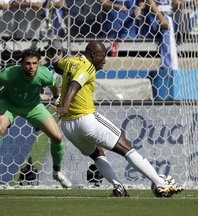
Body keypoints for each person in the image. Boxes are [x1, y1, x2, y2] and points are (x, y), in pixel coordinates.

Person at [52, 41, 184, 197]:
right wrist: (66, 104)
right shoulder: (86, 67)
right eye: (102, 56)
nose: (105, 60)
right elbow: (75, 84)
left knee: (97, 153)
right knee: (126, 148)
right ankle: (161, 184)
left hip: (68, 127)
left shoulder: (71, 62)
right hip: (86, 120)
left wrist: (55, 60)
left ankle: (118, 186)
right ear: (93, 54)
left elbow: (56, 65)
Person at [0, 48, 72, 191]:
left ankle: (57, 172)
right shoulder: (8, 74)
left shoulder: (45, 74)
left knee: (57, 137)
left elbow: (54, 87)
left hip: (33, 106)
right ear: (21, 64)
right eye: (28, 63)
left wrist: (55, 98)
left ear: (39, 63)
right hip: (9, 105)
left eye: (35, 63)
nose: (31, 67)